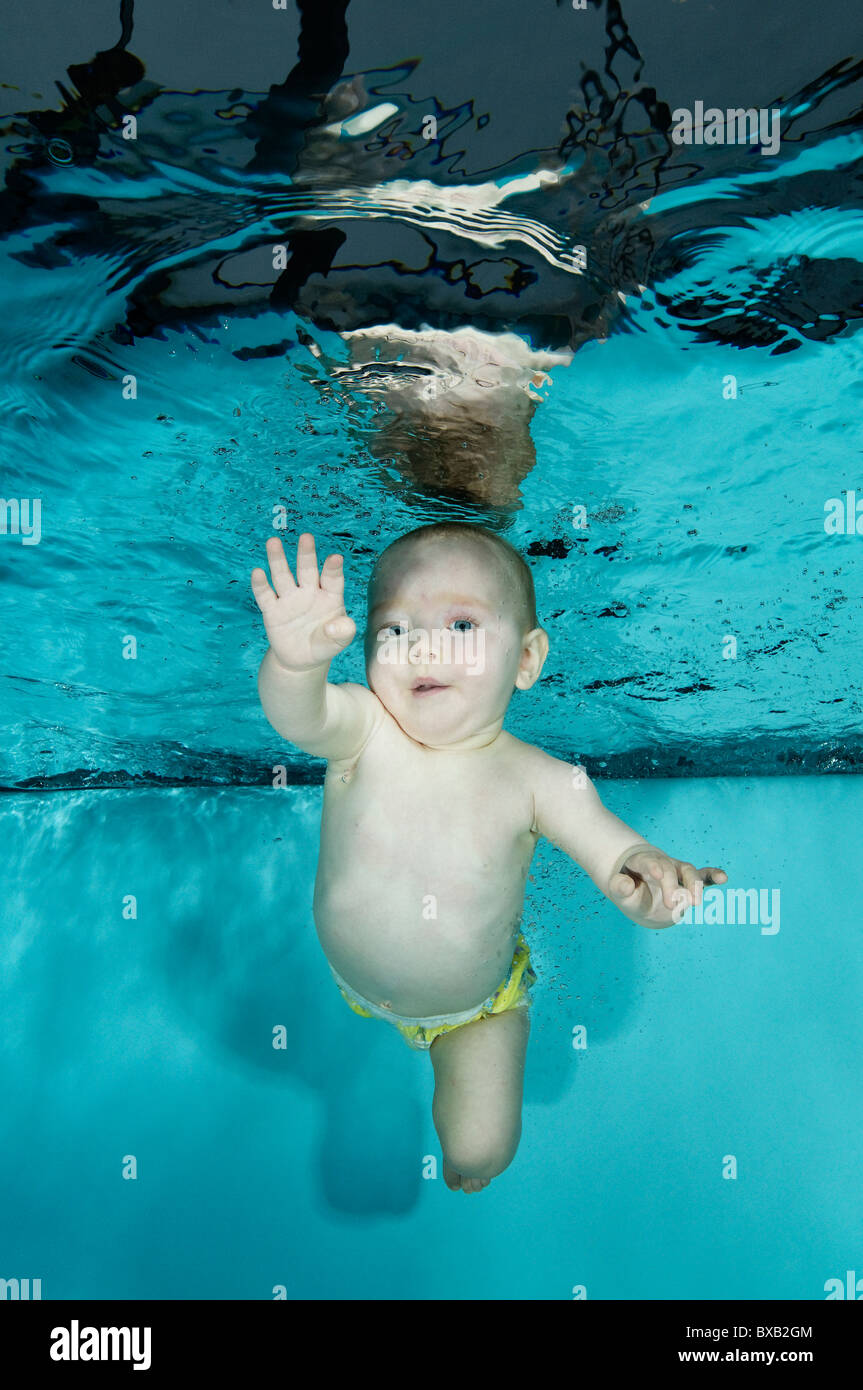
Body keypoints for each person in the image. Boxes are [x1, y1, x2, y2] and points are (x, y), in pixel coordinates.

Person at [251, 523, 728, 1193]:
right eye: (392, 630)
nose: (421, 644)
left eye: (461, 624)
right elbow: (298, 717)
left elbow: (615, 854)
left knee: (479, 1154)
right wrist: (296, 664)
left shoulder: (539, 780)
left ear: (527, 659)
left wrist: (650, 888)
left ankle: (481, 1096)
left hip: (475, 1005)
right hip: (353, 981)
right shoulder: (363, 728)